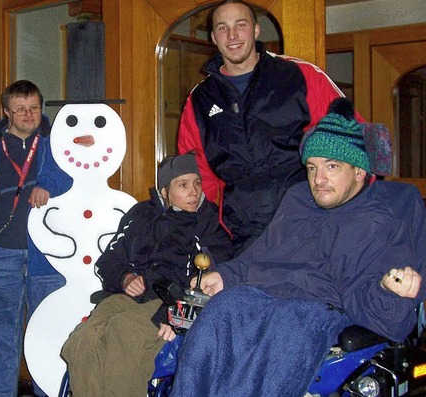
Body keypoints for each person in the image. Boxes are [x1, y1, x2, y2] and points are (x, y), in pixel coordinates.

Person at [170, 98, 426, 396]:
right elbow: (261, 255)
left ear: (359, 171)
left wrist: (388, 290)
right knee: (223, 308)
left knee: (288, 324)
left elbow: (387, 317)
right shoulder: (298, 199)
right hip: (267, 296)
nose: (318, 179)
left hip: (319, 307)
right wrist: (225, 276)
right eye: (312, 167)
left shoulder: (382, 219)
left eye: (332, 166)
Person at [178, 0, 362, 254]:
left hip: (311, 226)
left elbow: (352, 141)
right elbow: (196, 176)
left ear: (255, 30)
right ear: (213, 37)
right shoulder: (200, 100)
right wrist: (205, 237)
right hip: (242, 238)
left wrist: (356, 213)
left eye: (240, 25)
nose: (232, 35)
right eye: (223, 28)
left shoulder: (300, 76)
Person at [60, 152, 233, 397]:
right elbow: (108, 261)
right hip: (127, 298)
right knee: (82, 340)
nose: (194, 192)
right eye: (183, 185)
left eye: (196, 183)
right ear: (164, 191)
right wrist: (125, 278)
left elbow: (217, 276)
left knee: (124, 331)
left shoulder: (208, 221)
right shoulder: (141, 215)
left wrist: (178, 316)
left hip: (170, 301)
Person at [0, 80, 72, 397]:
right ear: (6, 111)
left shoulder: (59, 145)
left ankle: (48, 392)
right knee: (2, 338)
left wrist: (48, 183)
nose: (28, 114)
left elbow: (73, 174)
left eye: (34, 107)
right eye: (20, 108)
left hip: (47, 258)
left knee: (49, 335)